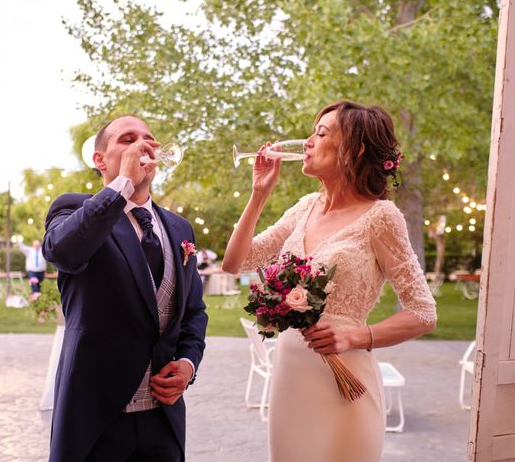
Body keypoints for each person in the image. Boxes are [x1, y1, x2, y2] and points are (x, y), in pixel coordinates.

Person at [222, 100, 437, 462]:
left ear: (356, 148)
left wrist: (357, 335)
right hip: (290, 377)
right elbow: (236, 262)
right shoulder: (305, 206)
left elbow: (423, 312)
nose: (307, 141)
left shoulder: (381, 217)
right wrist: (259, 194)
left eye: (320, 133)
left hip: (345, 385)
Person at [42, 115, 208, 462]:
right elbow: (63, 252)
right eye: (127, 139)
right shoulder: (72, 208)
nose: (143, 145)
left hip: (162, 419)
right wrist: (120, 185)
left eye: (148, 138)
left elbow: (193, 311)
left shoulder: (180, 229)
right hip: (96, 418)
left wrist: (188, 364)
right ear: (99, 160)